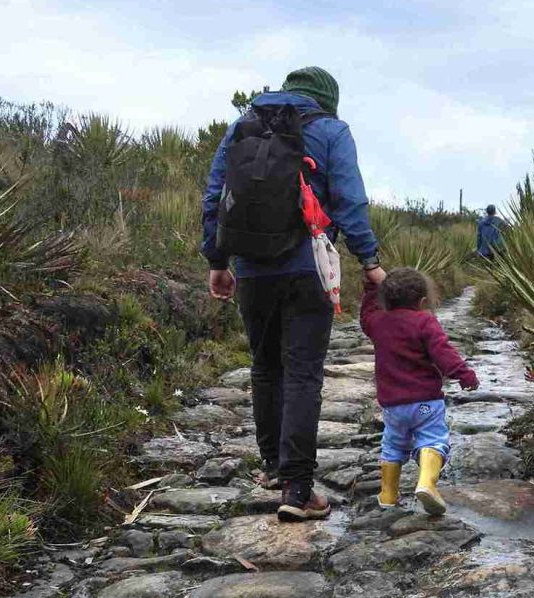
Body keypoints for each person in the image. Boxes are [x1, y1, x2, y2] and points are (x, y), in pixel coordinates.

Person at [202, 66, 387, 523]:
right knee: (303, 373)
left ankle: (272, 468)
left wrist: (217, 261)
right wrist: (369, 261)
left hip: (251, 266)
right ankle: (297, 488)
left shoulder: (242, 125)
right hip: (309, 265)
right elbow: (350, 201)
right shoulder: (332, 131)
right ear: (327, 99)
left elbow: (215, 195)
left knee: (265, 367)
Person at [360, 268, 479, 515]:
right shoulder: (425, 321)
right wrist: (463, 374)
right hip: (426, 402)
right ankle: (426, 483)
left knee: (392, 444)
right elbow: (442, 352)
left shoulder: (378, 322)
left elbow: (366, 315)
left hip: (392, 406)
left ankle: (388, 494)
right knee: (433, 439)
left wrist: (371, 288)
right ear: (423, 301)